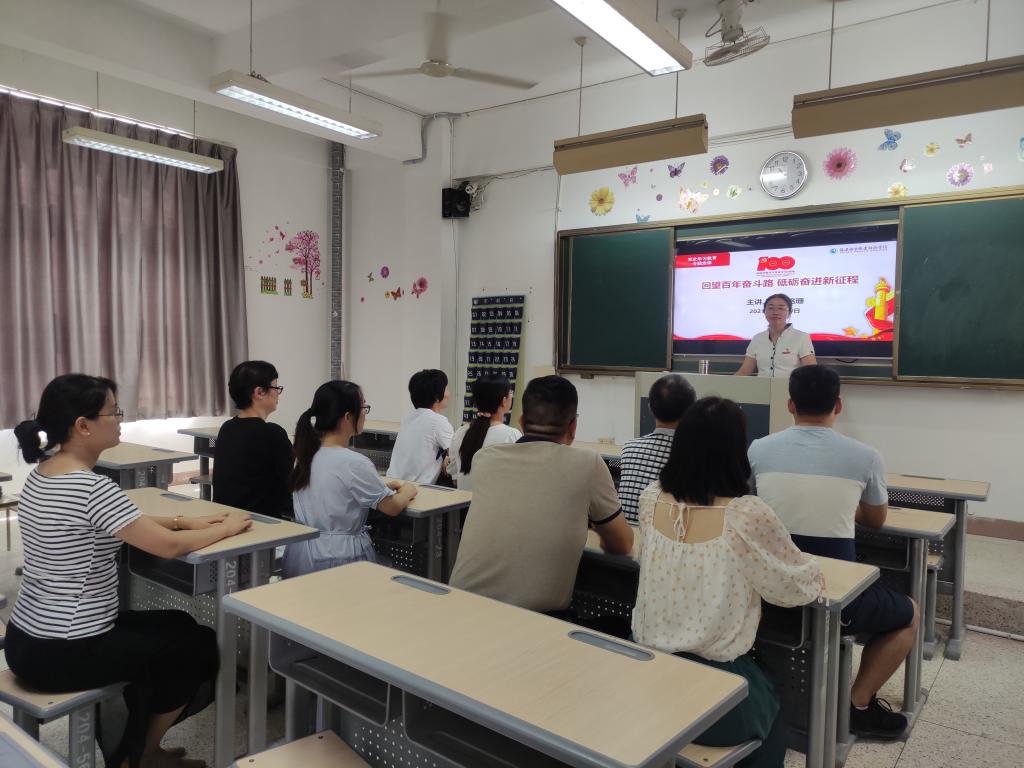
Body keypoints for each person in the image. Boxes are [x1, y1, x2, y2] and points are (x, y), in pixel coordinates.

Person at [7, 374, 252, 768]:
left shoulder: (44, 474)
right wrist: (227, 527)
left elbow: (123, 520)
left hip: (26, 640)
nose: (121, 419)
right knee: (198, 646)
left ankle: (134, 746)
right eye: (114, 412)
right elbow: (167, 548)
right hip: (67, 649)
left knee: (178, 625)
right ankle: (142, 755)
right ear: (83, 426)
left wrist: (183, 520)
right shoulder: (91, 487)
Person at [632, 396, 824, 768]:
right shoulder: (745, 514)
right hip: (713, 689)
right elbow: (793, 587)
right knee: (773, 714)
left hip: (645, 668)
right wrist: (816, 568)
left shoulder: (651, 499)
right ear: (736, 452)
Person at [748, 365, 919, 740]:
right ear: (838, 405)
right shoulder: (866, 456)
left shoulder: (758, 448)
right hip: (834, 599)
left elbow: (752, 506)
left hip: (767, 592)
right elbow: (876, 519)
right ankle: (857, 705)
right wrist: (845, 505)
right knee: (910, 614)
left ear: (790, 405)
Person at [449, 375, 633, 633]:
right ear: (573, 427)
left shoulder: (485, 459)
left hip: (461, 610)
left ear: (522, 422)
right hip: (532, 625)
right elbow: (623, 544)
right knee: (619, 628)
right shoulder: (588, 463)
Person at [283, 380, 417, 577]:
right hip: (337, 557)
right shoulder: (355, 462)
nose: (365, 414)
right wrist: (408, 489)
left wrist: (377, 488)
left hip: (301, 554)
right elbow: (393, 506)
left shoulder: (306, 454)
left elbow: (333, 491)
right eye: (363, 408)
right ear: (347, 417)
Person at [212, 360, 294, 518]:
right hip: (260, 522)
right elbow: (293, 482)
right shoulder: (272, 434)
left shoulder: (227, 428)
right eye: (276, 387)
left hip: (227, 518)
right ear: (259, 392)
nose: (278, 393)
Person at [617, 374, 696, 523]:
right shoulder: (694, 457)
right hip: (658, 536)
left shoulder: (628, 448)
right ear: (691, 412)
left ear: (650, 408)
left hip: (626, 536)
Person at [448, 374, 522, 491]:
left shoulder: (461, 432)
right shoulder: (511, 435)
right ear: (504, 401)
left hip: (465, 501)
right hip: (495, 501)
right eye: (510, 393)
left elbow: (453, 471)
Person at [386, 369, 454, 484]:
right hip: (417, 488)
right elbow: (456, 454)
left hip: (392, 484)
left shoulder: (408, 419)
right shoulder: (438, 421)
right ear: (437, 397)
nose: (449, 394)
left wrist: (447, 457)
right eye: (446, 389)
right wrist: (448, 458)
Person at [734, 293, 816, 378]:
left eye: (781, 308)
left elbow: (812, 372)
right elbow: (744, 372)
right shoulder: (757, 338)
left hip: (790, 386)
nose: (775, 312)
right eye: (770, 308)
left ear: (789, 313)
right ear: (764, 312)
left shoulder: (801, 337)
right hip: (762, 386)